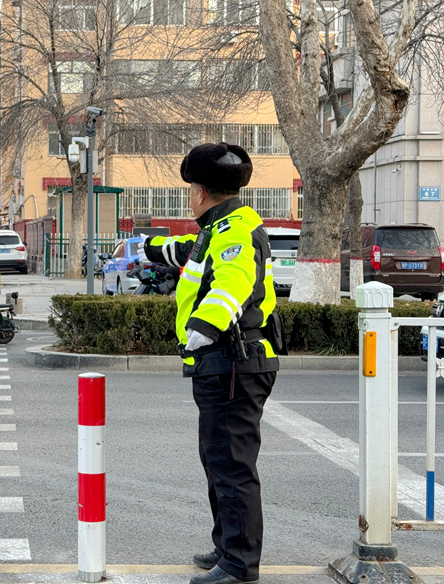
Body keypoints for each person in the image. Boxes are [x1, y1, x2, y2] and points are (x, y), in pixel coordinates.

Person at [139, 143, 279, 584]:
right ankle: (226, 546)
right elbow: (192, 252)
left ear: (199, 191)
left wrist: (205, 326)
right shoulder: (220, 227)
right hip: (224, 363)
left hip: (234, 360)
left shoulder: (235, 231)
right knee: (218, 458)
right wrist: (150, 248)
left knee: (232, 463)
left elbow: (234, 281)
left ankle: (239, 564)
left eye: (190, 191)